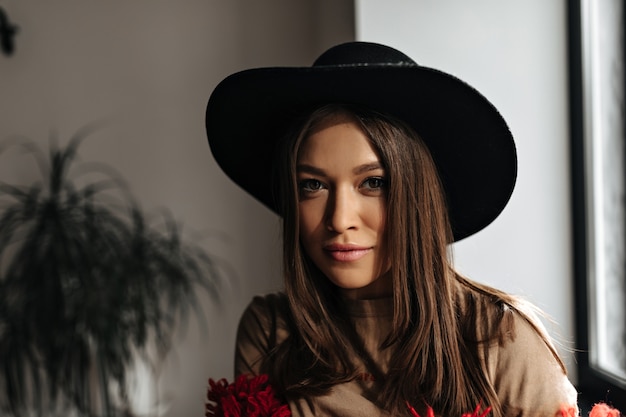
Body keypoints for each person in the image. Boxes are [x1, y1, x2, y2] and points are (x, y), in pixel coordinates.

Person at [205, 42, 579, 417]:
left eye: (374, 183)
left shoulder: (502, 338)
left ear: (418, 196)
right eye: (312, 185)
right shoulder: (271, 331)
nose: (339, 219)